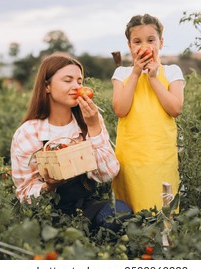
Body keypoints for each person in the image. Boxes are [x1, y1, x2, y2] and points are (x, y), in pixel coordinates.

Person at [10, 54, 132, 230]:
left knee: (120, 212)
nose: (76, 86)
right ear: (47, 86)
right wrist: (48, 186)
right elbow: (24, 193)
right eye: (68, 80)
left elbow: (108, 174)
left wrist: (94, 127)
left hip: (85, 207)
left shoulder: (87, 122)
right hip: (47, 212)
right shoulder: (29, 133)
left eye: (79, 81)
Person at [111, 14, 185, 213]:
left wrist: (153, 78)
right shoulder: (122, 74)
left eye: (151, 40)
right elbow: (120, 109)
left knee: (163, 212)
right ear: (129, 46)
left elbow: (175, 108)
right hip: (130, 157)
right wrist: (136, 73)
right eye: (137, 41)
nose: (145, 46)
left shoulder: (172, 72)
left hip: (161, 156)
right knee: (132, 213)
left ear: (161, 42)